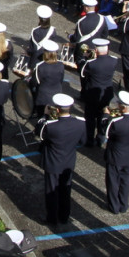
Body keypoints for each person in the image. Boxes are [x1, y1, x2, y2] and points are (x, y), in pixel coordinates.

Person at [37, 93, 86, 225]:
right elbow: (83, 141)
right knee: (65, 190)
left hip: (52, 162)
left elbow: (39, 133)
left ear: (57, 110)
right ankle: (64, 216)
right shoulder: (80, 124)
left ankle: (52, 218)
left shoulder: (50, 126)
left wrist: (45, 115)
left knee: (51, 192)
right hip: (68, 162)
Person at [101, 91, 129, 214]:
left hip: (115, 154)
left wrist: (106, 116)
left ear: (123, 107)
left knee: (113, 181)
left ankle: (114, 206)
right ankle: (123, 204)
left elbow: (105, 130)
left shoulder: (116, 122)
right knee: (125, 180)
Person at [80, 39, 117, 146]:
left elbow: (82, 73)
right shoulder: (114, 60)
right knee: (102, 116)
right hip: (106, 93)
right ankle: (100, 138)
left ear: (96, 50)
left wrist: (84, 58)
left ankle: (89, 140)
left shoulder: (91, 63)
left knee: (90, 118)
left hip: (92, 94)